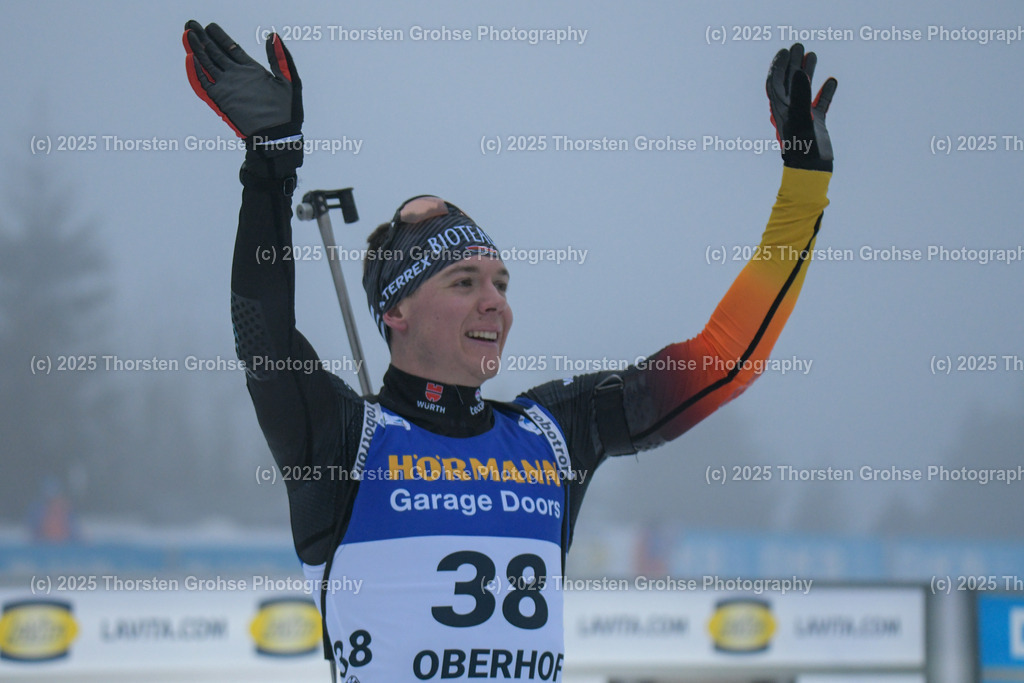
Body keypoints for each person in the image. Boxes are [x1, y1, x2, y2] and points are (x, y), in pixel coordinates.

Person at [182, 20, 836, 682]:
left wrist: (804, 183)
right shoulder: (342, 439)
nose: (494, 301)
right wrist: (272, 160)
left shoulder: (554, 434)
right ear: (396, 313)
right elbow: (262, 334)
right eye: (464, 283)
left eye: (500, 282)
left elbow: (725, 362)